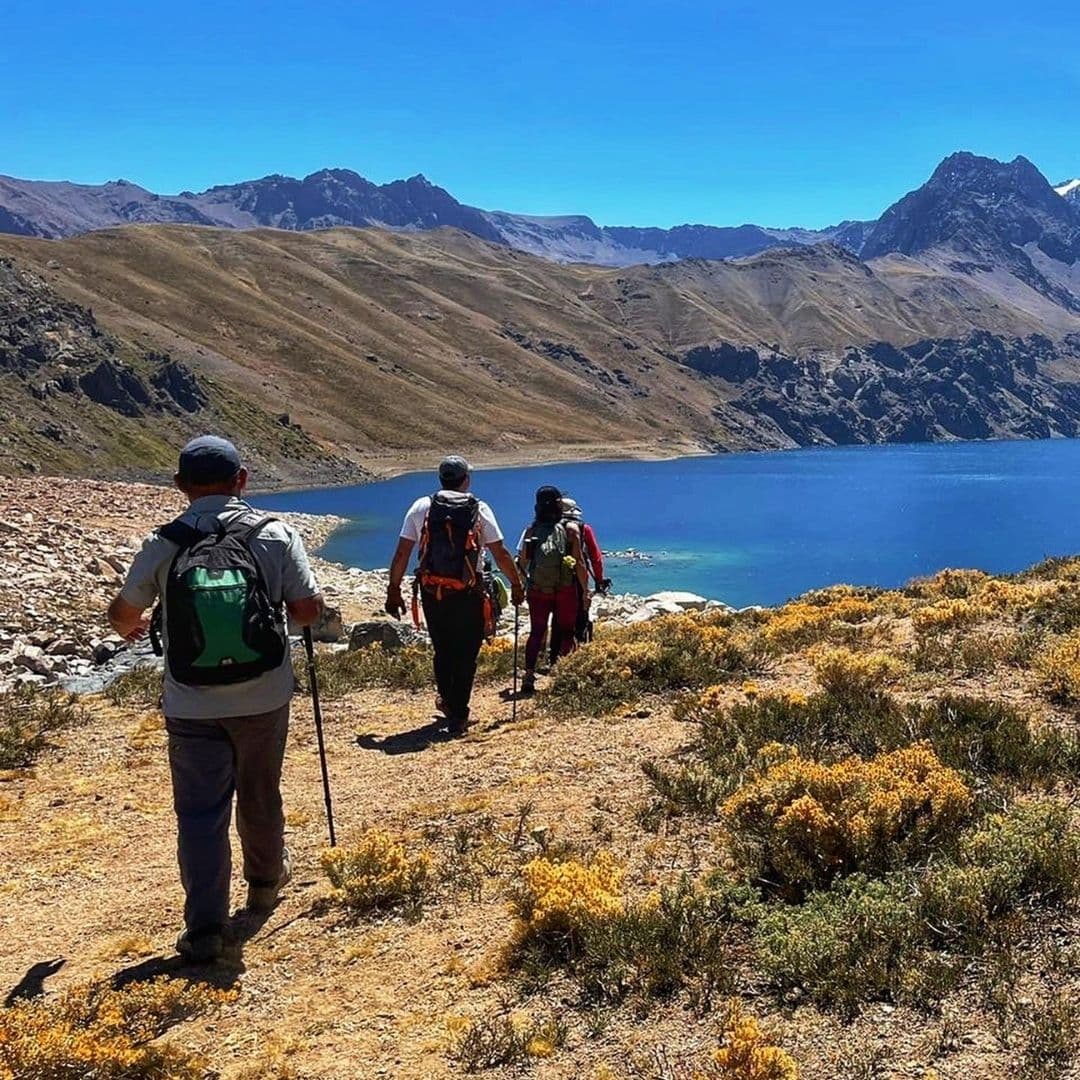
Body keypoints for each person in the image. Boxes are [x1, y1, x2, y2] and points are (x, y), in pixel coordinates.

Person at [107, 435, 324, 964]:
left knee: (200, 813)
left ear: (180, 485)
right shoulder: (274, 533)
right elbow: (307, 610)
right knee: (260, 790)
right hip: (264, 694)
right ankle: (265, 884)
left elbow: (122, 613)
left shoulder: (164, 542)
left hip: (191, 703)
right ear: (241, 479)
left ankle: (205, 927)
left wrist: (132, 626)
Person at [385, 456, 524, 734]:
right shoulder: (479, 508)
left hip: (432, 591)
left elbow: (402, 553)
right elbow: (500, 552)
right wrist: (517, 585)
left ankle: (449, 702)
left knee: (443, 648)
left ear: (441, 479)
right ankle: (458, 713)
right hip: (469, 592)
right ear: (466, 480)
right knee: (466, 652)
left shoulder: (422, 506)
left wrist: (394, 590)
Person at [518, 485, 588, 695]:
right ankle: (563, 674)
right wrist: (585, 592)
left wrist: (520, 586)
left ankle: (529, 675)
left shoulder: (531, 531)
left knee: (536, 632)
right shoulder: (571, 530)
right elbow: (580, 564)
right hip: (565, 590)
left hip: (538, 591)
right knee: (567, 631)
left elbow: (522, 563)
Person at [550, 496, 611, 657]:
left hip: (550, 580)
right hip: (576, 578)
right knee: (580, 614)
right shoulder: (583, 529)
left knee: (557, 617)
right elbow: (596, 557)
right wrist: (599, 580)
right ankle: (579, 653)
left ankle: (554, 655)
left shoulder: (547, 528)